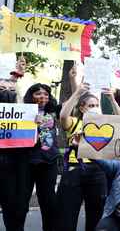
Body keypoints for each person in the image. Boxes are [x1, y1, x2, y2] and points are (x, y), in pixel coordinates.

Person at [56, 76, 120, 231]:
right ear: (82, 108)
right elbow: (63, 116)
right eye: (90, 105)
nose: (94, 107)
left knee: (96, 215)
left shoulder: (104, 124)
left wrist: (112, 100)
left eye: (96, 105)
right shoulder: (74, 122)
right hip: (74, 170)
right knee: (67, 214)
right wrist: (77, 93)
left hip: (98, 171)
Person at [21, 83, 60, 231]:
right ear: (31, 96)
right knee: (21, 201)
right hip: (27, 162)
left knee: (48, 202)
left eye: (45, 94)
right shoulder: (22, 112)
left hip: (48, 162)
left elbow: (71, 105)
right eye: (38, 93)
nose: (42, 97)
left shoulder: (53, 112)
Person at [0, 58, 30, 231]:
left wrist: (16, 78)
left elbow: (17, 100)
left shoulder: (23, 113)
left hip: (15, 167)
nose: (7, 92)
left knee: (14, 211)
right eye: (2, 89)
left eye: (11, 90)